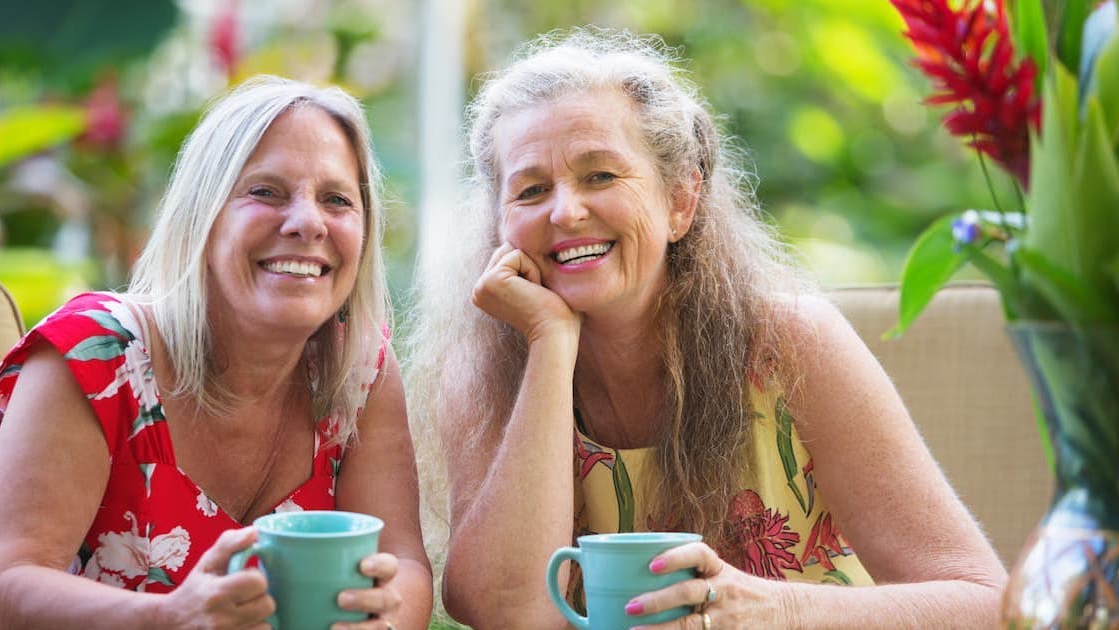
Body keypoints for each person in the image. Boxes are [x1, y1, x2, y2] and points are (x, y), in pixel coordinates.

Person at [409, 28, 1005, 628]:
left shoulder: (790, 344)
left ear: (680, 201)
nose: (565, 211)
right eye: (531, 190)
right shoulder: (487, 374)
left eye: (601, 176)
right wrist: (549, 344)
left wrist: (777, 607)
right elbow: (510, 613)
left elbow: (985, 602)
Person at [0, 75, 432, 629]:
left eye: (337, 200)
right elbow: (2, 589)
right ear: (202, 216)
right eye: (266, 192)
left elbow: (404, 565)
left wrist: (386, 620)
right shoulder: (96, 354)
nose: (307, 223)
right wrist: (169, 619)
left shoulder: (358, 370)